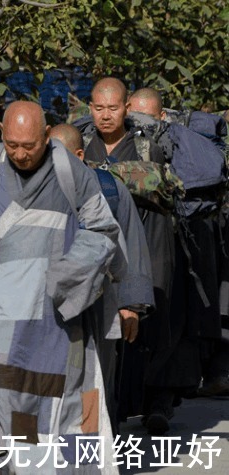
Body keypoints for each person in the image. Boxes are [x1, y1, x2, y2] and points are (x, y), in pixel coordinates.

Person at [0, 101, 123, 474]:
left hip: (56, 324)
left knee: (64, 408)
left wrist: (67, 280)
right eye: (13, 145)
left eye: (30, 146)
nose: (20, 154)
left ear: (47, 134)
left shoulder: (71, 172)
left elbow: (104, 231)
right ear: (2, 132)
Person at [81, 78, 175, 435]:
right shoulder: (82, 144)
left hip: (146, 241)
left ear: (126, 109)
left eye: (113, 108)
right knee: (101, 333)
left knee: (146, 327)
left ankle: (154, 403)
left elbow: (159, 185)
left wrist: (102, 174)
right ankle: (109, 414)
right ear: (91, 108)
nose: (106, 116)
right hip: (96, 250)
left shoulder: (144, 144)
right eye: (99, 108)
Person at [50, 124, 155, 433]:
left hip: (99, 304)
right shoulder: (34, 188)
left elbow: (131, 245)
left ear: (79, 156)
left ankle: (90, 452)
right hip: (48, 305)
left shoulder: (108, 188)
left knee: (95, 382)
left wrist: (130, 304)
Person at [128, 89, 229, 399]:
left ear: (162, 116)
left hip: (173, 237)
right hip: (191, 233)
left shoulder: (171, 143)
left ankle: (162, 392)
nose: (139, 124)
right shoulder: (192, 145)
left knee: (175, 312)